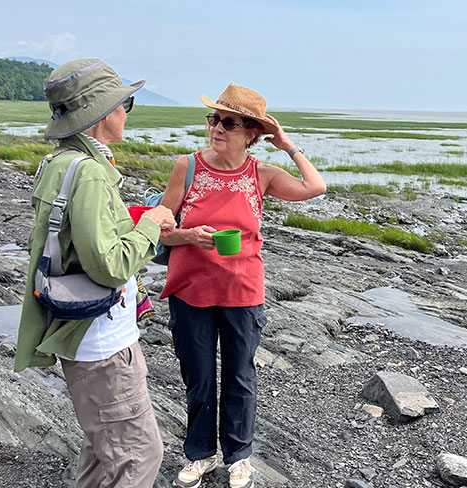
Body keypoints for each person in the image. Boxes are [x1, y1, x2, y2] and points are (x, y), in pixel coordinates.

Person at [14, 58, 176, 487]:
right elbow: (110, 267)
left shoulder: (61, 162)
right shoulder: (88, 174)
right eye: (127, 103)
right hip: (101, 344)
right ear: (105, 113)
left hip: (86, 336)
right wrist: (151, 223)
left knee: (103, 451)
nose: (127, 112)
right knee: (140, 457)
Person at [158, 83, 326, 488]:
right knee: (198, 377)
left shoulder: (262, 175)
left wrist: (287, 144)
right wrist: (188, 236)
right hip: (189, 290)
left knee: (239, 377)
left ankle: (239, 457)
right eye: (214, 118)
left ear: (252, 133)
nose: (217, 127)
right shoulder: (189, 165)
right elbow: (161, 228)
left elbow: (315, 188)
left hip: (242, 292)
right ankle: (199, 456)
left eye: (229, 122)